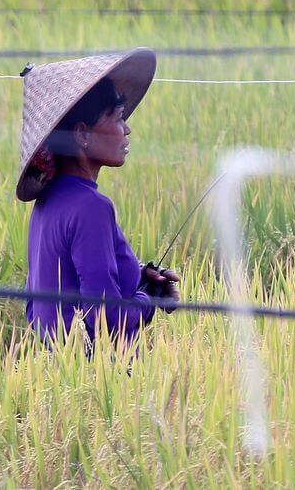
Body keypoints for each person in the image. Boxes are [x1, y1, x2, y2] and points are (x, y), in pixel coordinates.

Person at [16, 48, 180, 346]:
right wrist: (148, 299)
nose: (127, 128)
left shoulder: (48, 202)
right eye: (117, 118)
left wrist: (141, 276)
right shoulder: (91, 207)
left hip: (56, 372)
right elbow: (108, 321)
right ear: (82, 135)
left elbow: (42, 306)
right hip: (96, 377)